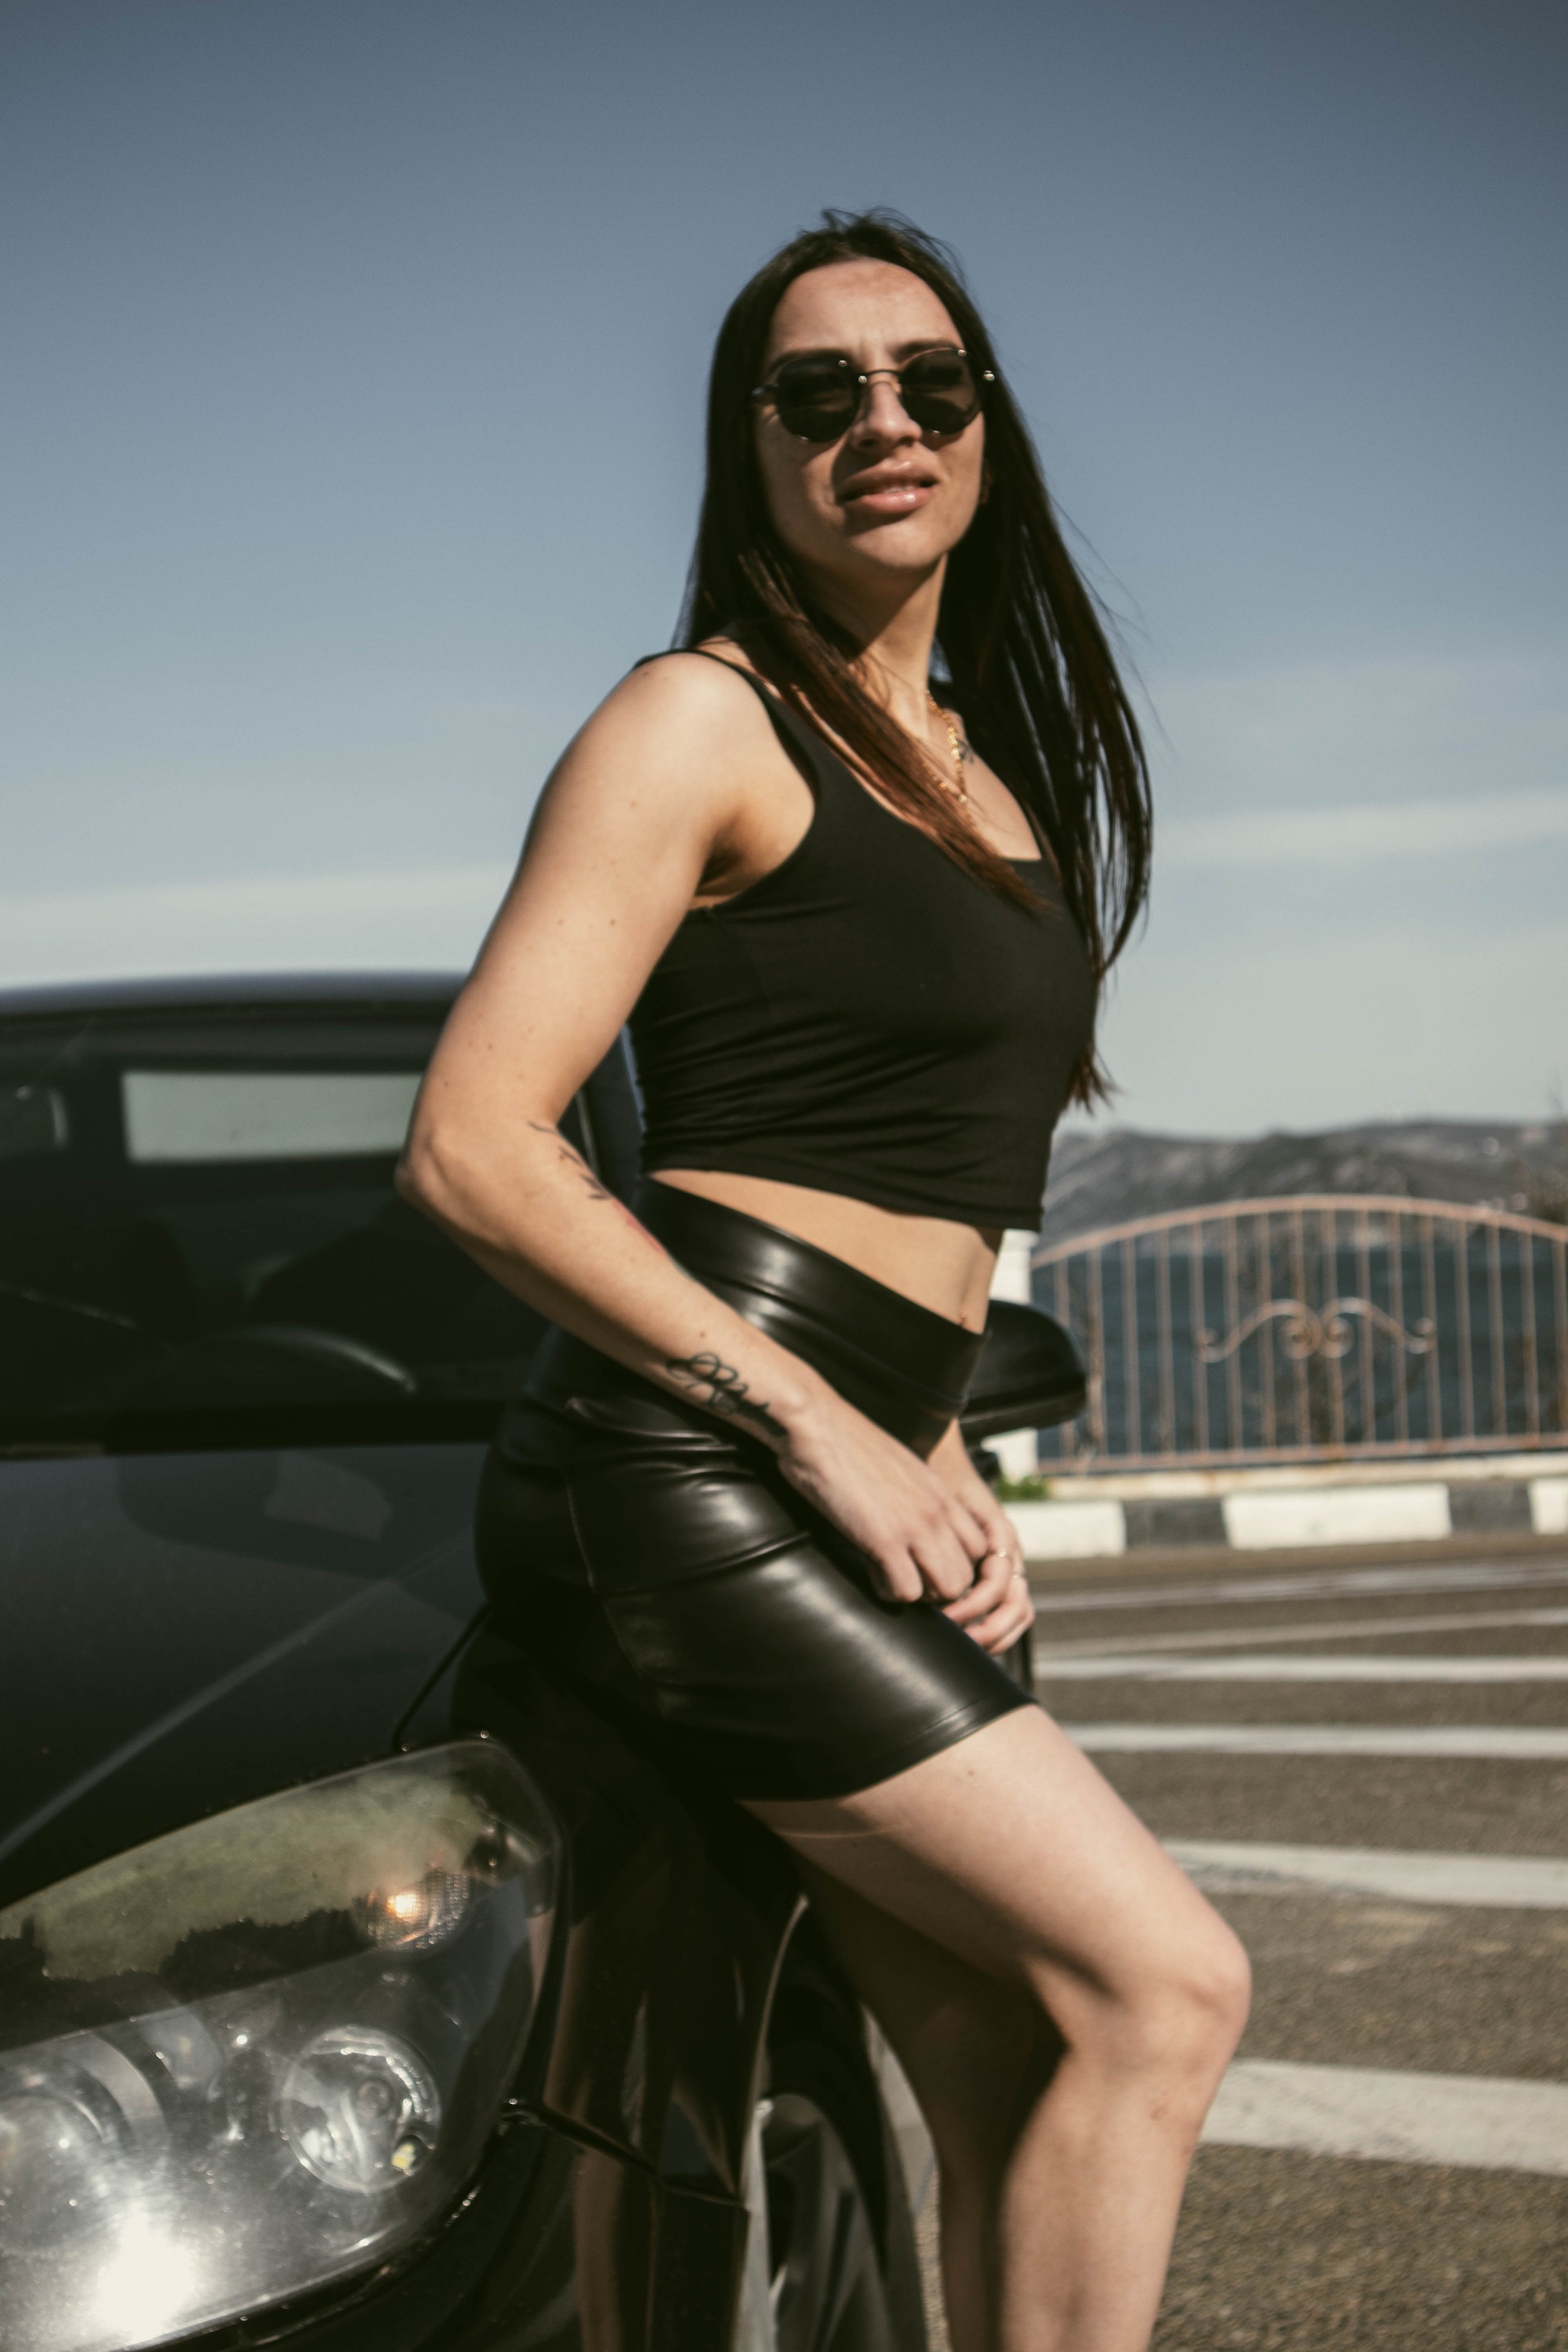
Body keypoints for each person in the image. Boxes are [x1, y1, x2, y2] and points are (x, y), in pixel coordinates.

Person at [400, 210, 1250, 2352]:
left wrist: (931, 1440)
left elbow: (914, 1194)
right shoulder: (696, 720)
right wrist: (825, 1430)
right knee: (1164, 1988)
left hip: (861, 1459)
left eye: (929, 383)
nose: (884, 420)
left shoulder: (992, 773)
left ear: (988, 431)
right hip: (691, 1465)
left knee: (1009, 2061)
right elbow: (478, 1146)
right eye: (819, 391)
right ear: (751, 444)